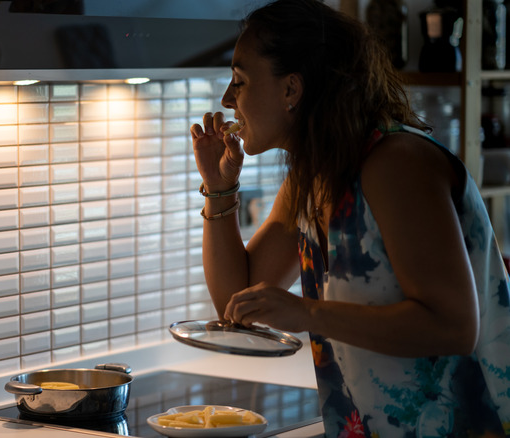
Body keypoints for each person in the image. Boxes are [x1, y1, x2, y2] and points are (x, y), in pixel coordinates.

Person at [189, 0, 510, 436]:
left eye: (240, 81)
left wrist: (308, 314)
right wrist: (219, 186)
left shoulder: (396, 163)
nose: (228, 98)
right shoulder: (313, 174)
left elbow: (453, 326)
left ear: (291, 90)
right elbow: (237, 298)